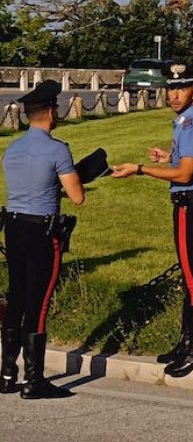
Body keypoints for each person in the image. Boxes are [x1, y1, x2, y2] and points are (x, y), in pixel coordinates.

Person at [111, 64, 193, 377]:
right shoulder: (185, 123)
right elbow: (185, 164)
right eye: (170, 89)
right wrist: (167, 159)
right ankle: (187, 342)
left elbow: (186, 174)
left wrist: (141, 168)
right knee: (189, 274)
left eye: (181, 89)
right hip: (192, 204)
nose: (173, 95)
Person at [1, 80, 84, 399]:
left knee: (17, 298)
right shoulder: (57, 149)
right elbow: (77, 197)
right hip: (41, 231)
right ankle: (35, 380)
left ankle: (8, 374)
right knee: (39, 302)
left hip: (14, 226)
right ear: (50, 112)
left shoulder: (13, 148)